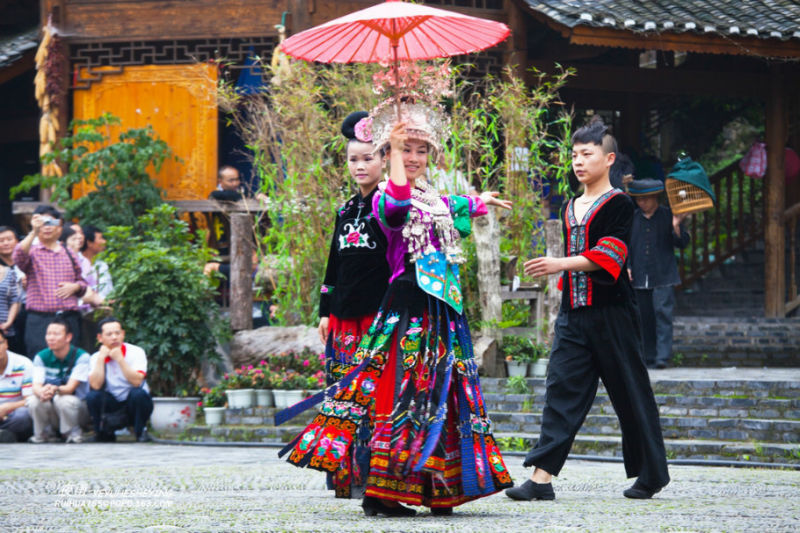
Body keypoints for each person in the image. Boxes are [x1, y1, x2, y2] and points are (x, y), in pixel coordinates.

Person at [280, 93, 514, 516]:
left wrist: (480, 202)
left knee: (444, 393)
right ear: (387, 155)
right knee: (399, 395)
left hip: (441, 309)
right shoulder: (385, 197)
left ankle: (439, 488)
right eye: (405, 149)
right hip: (406, 307)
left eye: (422, 150)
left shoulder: (431, 195)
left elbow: (451, 207)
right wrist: (395, 155)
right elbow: (398, 209)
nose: (415, 157)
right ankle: (383, 493)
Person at [508, 117, 670, 502]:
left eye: (587, 154)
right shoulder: (569, 206)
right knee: (560, 388)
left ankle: (652, 474)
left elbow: (611, 255)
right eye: (574, 155)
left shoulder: (619, 204)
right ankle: (541, 478)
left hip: (614, 315)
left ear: (609, 158)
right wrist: (562, 270)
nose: (578, 161)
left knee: (630, 393)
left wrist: (559, 264)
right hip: (573, 315)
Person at [315, 111, 390, 498]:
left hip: (376, 319)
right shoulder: (345, 211)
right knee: (343, 397)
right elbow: (333, 266)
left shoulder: (390, 208)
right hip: (343, 321)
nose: (360, 165)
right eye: (353, 159)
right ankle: (344, 477)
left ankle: (375, 476)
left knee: (374, 396)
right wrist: (325, 311)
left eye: (368, 158)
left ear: (384, 159)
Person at [627, 178, 689, 369]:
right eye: (639, 200)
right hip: (638, 274)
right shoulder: (633, 218)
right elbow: (626, 245)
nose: (641, 203)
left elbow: (683, 243)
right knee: (643, 317)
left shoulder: (668, 215)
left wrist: (676, 225)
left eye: (645, 199)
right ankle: (648, 356)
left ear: (655, 198)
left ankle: (663, 357)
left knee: (662, 314)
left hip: (663, 274)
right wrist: (627, 265)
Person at [13, 206, 87, 357]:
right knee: (39, 362)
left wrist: (75, 286)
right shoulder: (32, 251)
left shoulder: (69, 252)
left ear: (60, 227)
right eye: (43, 222)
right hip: (40, 320)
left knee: (71, 363)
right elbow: (18, 256)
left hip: (69, 318)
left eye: (51, 222)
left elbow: (83, 283)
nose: (47, 227)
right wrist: (33, 231)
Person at [86, 317, 152, 442]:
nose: (114, 337)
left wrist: (120, 359)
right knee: (93, 397)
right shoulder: (95, 357)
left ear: (123, 334)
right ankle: (102, 433)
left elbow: (137, 381)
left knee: (138, 394)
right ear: (100, 338)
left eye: (117, 333)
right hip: (111, 402)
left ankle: (140, 431)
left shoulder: (136, 352)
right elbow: (95, 385)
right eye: (109, 334)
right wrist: (101, 359)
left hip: (132, 401)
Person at [28, 317, 91, 443]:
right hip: (53, 403)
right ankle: (44, 433)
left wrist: (54, 389)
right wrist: (42, 392)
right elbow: (36, 386)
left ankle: (72, 433)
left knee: (64, 400)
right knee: (33, 400)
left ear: (68, 337)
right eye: (48, 334)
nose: (51, 338)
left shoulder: (81, 356)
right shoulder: (41, 356)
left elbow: (70, 388)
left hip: (78, 408)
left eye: (56, 334)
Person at [0, 328, 33, 442]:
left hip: (13, 413)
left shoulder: (23, 364)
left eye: (0, 343)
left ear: (6, 344)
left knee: (23, 416)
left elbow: (30, 400)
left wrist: (7, 407)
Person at [0, 227, 27, 354]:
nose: (5, 243)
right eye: (1, 240)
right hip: (4, 317)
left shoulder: (26, 261)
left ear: (17, 241)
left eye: (9, 239)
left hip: (25, 313)